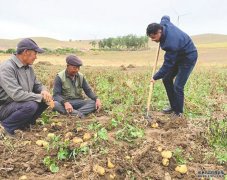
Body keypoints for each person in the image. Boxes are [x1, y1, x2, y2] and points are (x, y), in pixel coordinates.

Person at [146, 15, 198, 116]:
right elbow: (166, 17)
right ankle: (173, 106)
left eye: (153, 37)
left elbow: (167, 65)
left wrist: (155, 77)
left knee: (178, 85)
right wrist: (164, 17)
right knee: (166, 79)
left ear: (159, 32)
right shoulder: (163, 24)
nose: (152, 40)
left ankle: (178, 112)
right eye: (150, 37)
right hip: (178, 55)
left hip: (188, 57)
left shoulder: (170, 43)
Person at [0, 38, 52, 136]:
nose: (36, 57)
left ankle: (24, 123)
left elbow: (37, 85)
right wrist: (39, 97)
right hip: (4, 107)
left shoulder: (28, 68)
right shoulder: (7, 68)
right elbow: (17, 95)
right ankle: (5, 127)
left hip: (16, 105)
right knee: (31, 105)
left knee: (45, 101)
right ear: (26, 52)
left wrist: (44, 91)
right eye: (35, 53)